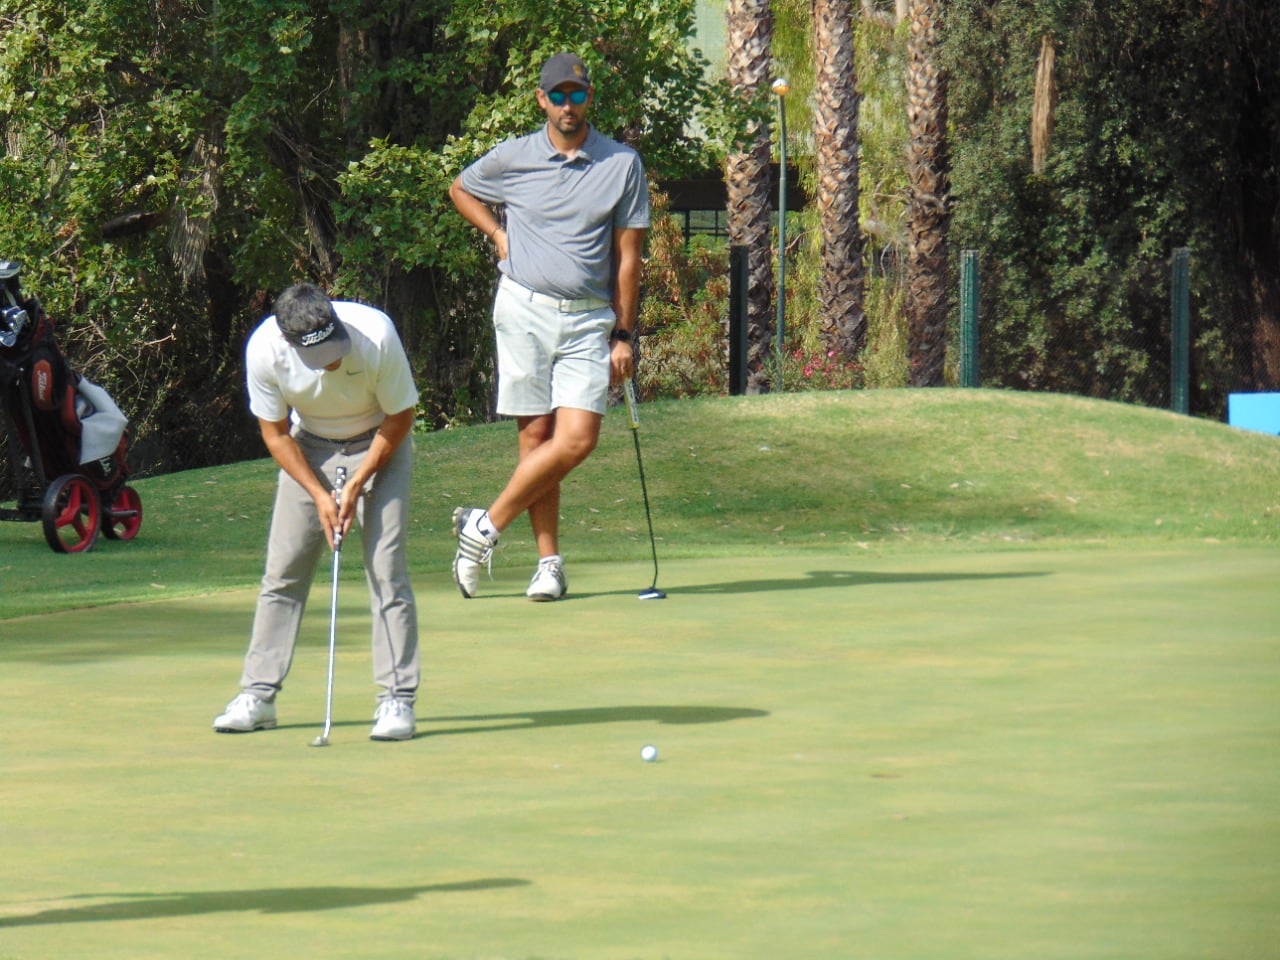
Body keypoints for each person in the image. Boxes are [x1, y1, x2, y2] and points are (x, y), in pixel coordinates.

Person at [447, 51, 650, 601]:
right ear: (541, 99)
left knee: (576, 439)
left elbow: (628, 258)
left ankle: (483, 527)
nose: (567, 104)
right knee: (535, 438)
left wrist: (625, 334)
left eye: (576, 94)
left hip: (588, 321)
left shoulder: (621, 162)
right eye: (557, 95)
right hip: (523, 310)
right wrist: (496, 232)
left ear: (589, 98)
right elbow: (460, 188)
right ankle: (549, 564)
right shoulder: (514, 158)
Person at [213, 282, 421, 741]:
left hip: (380, 442)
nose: (331, 360)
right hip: (307, 448)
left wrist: (360, 479)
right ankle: (258, 696)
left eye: (333, 346)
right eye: (318, 353)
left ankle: (396, 701)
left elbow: (401, 417)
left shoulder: (375, 335)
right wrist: (321, 494)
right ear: (288, 340)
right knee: (283, 571)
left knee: (386, 569)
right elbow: (276, 434)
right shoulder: (265, 351)